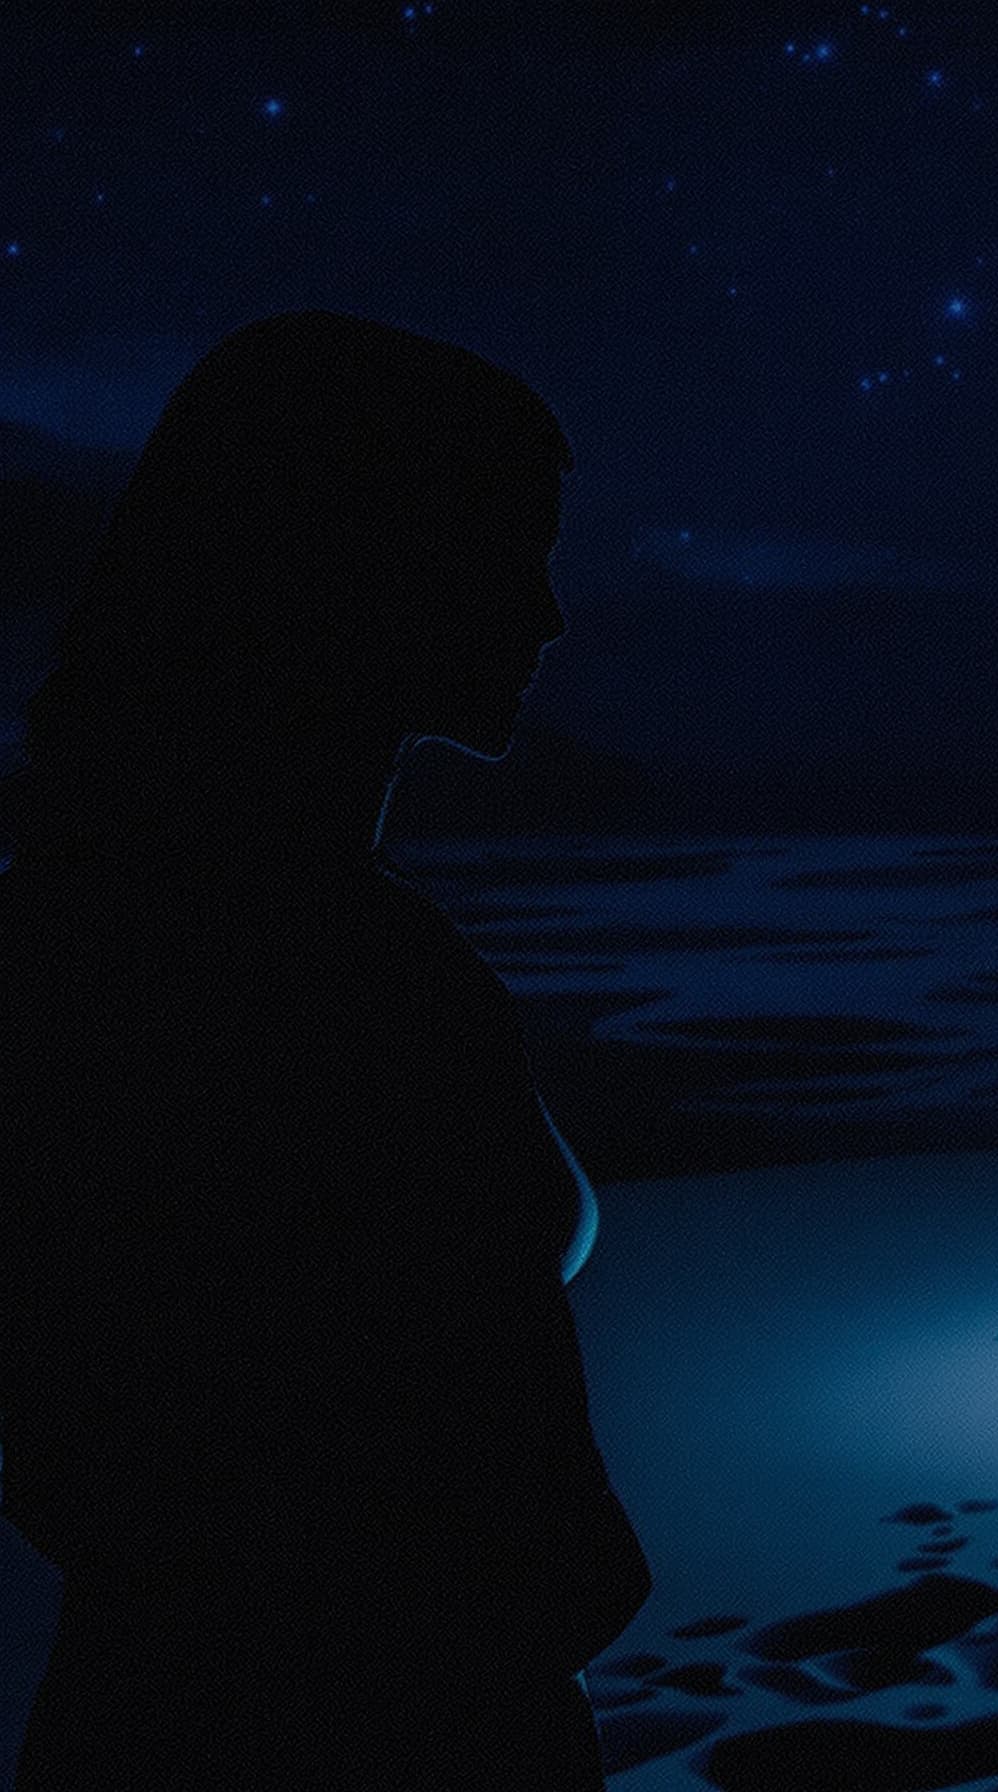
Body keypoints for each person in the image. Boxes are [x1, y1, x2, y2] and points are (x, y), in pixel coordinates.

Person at [0, 311, 650, 1788]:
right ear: (365, 558)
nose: (548, 616)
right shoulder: (334, 974)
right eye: (514, 548)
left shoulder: (84, 935)